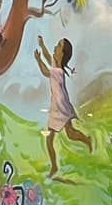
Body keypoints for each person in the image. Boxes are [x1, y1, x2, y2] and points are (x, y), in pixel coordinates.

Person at [35, 35, 92, 176]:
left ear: (62, 53)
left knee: (61, 136)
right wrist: (42, 46)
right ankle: (54, 166)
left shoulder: (58, 72)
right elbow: (50, 58)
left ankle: (86, 140)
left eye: (58, 46)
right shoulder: (57, 66)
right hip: (59, 105)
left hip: (60, 107)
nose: (55, 47)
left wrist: (38, 60)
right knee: (64, 135)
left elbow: (45, 71)